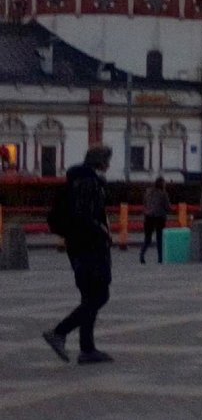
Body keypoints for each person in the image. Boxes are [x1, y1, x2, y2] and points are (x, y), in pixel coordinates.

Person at [43, 144, 115, 365]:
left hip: (78, 246)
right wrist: (101, 231)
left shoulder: (76, 180)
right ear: (100, 162)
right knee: (99, 295)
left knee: (89, 297)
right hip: (89, 247)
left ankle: (87, 349)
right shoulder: (88, 182)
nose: (109, 165)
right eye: (107, 160)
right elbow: (84, 215)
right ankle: (59, 332)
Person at [140, 177, 171, 264]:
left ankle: (142, 254)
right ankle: (160, 258)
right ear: (162, 184)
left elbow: (145, 203)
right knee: (159, 239)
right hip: (159, 217)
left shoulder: (148, 192)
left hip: (148, 216)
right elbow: (167, 207)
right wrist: (168, 210)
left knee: (147, 238)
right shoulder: (163, 194)